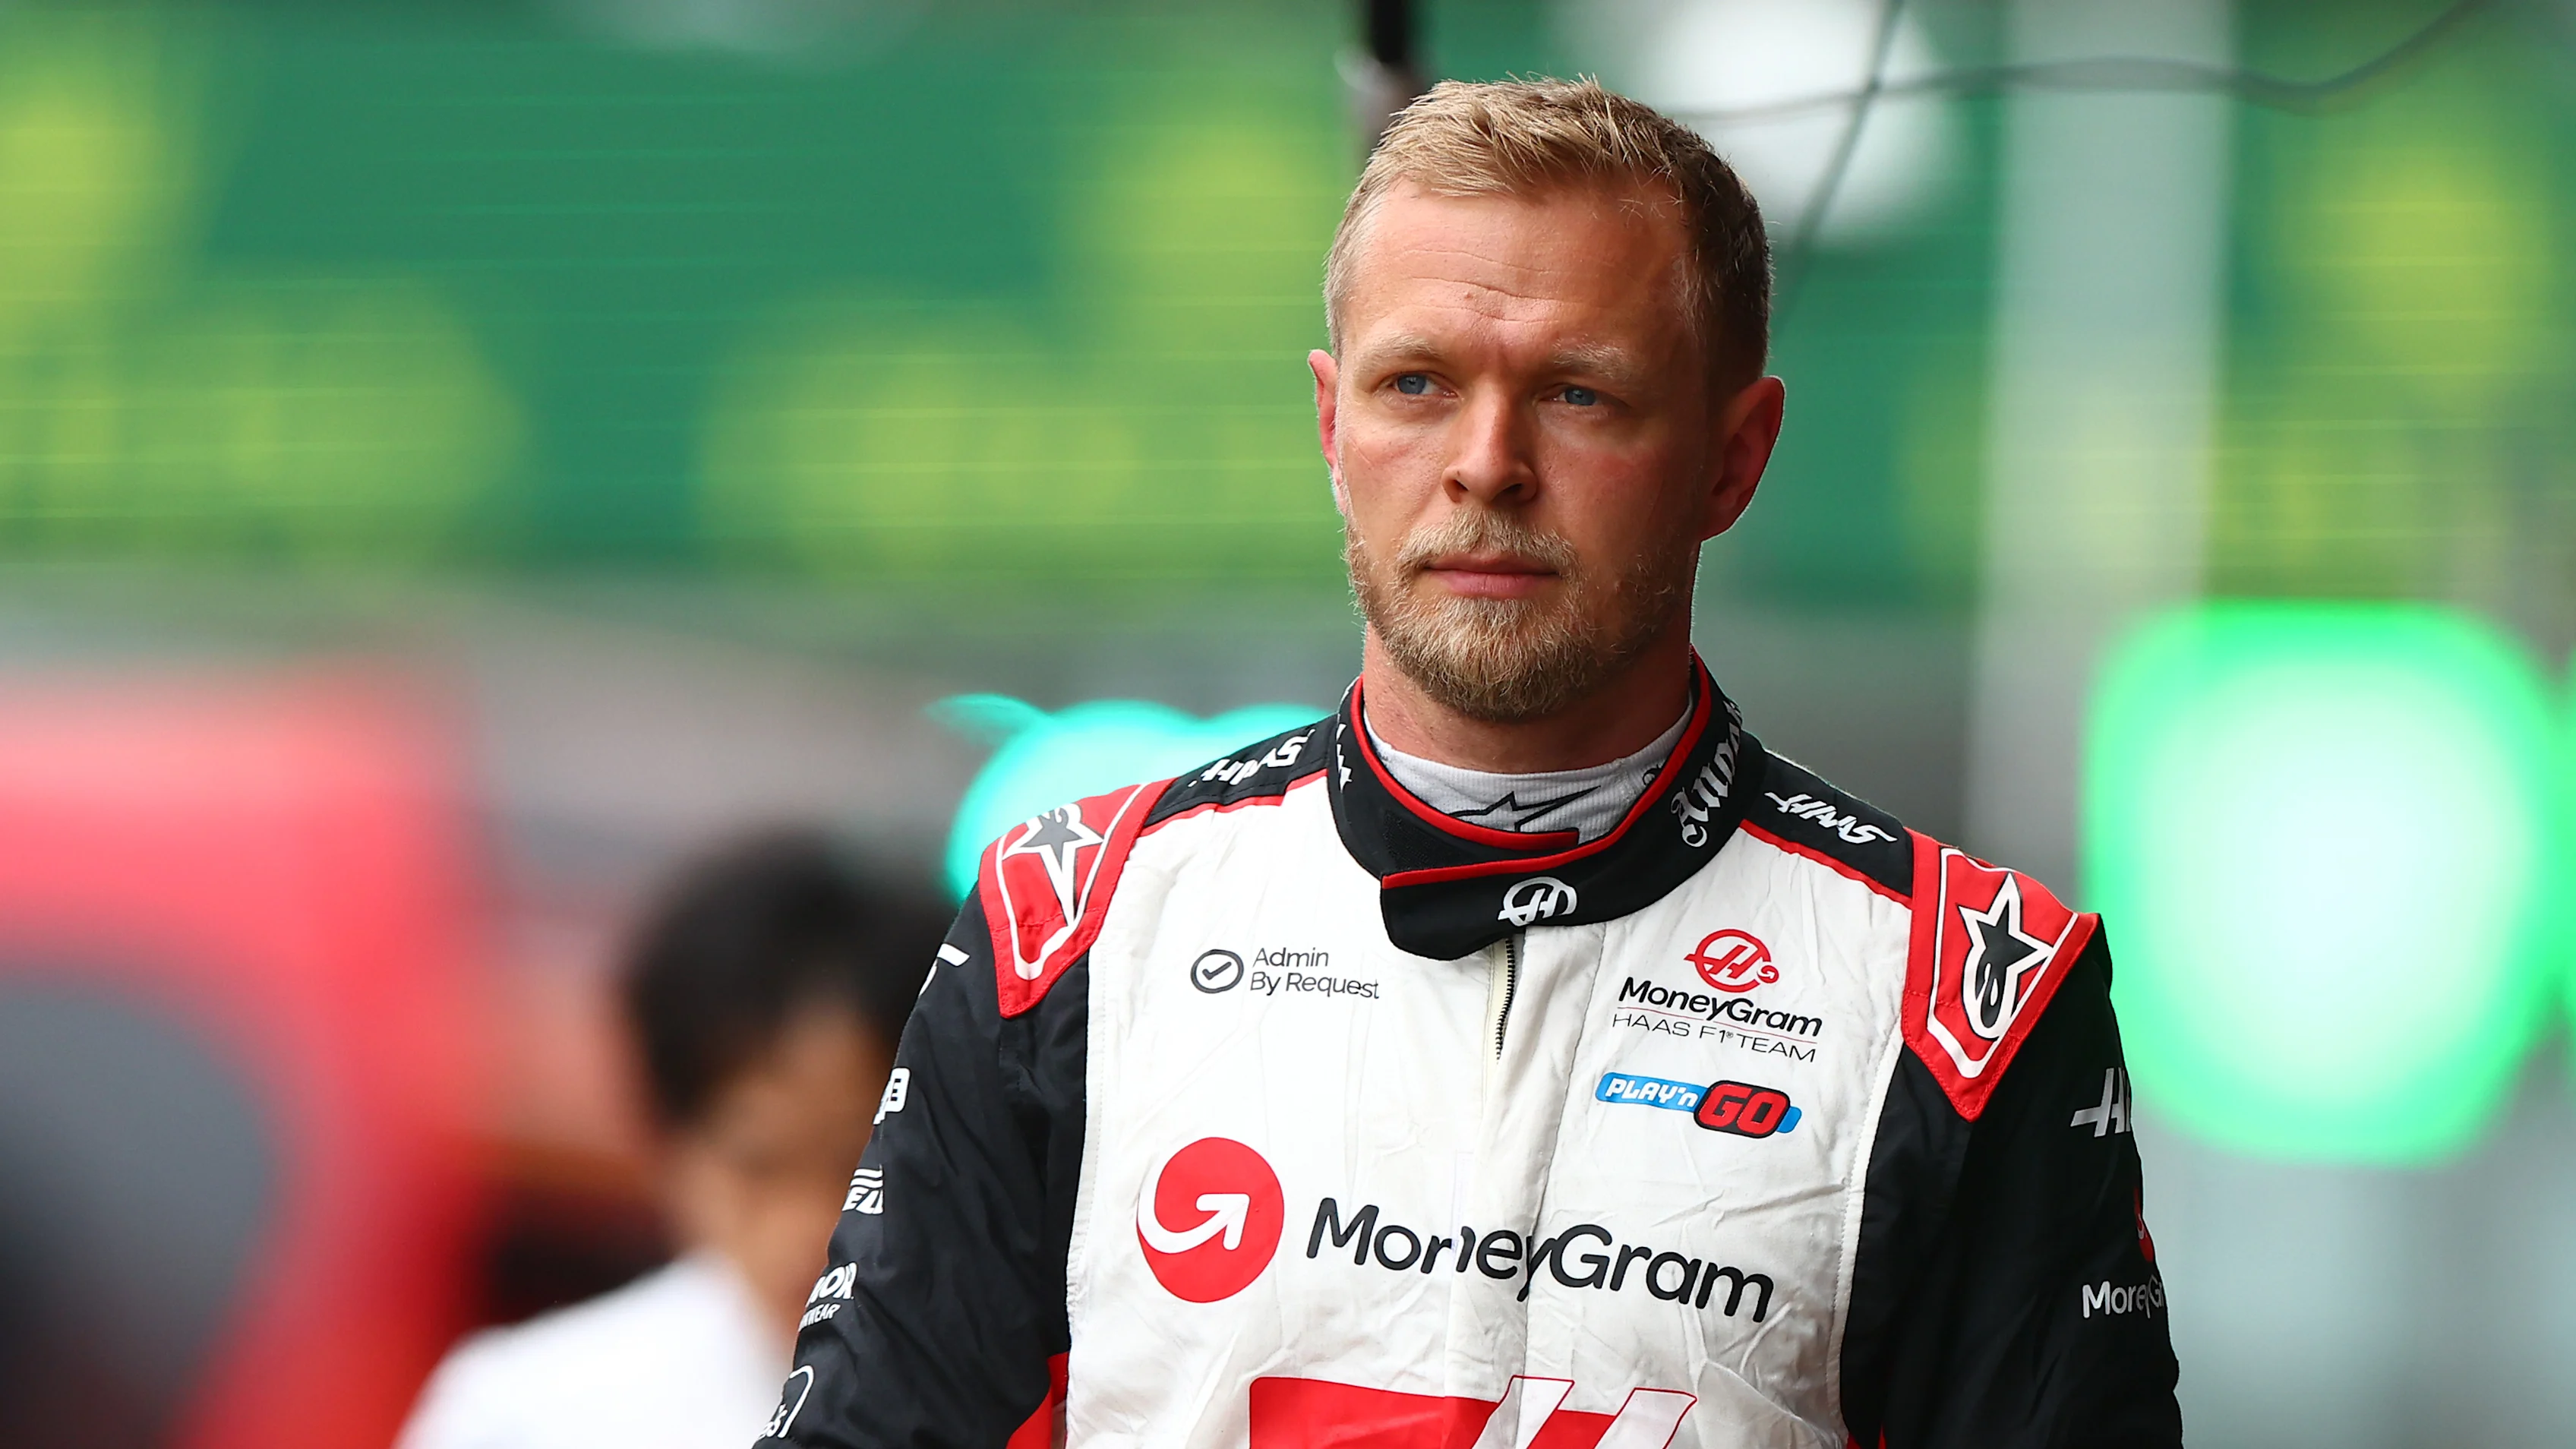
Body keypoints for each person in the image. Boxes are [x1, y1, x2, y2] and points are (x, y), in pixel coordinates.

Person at [760, 79, 2180, 1449]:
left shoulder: (1966, 999)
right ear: (1332, 425)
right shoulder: (1073, 922)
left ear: (1733, 459)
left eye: (1577, 393)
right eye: (1418, 383)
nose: (1486, 463)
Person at [401, 832, 939, 1449]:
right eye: (757, 1165)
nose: (812, 1226)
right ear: (670, 1148)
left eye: (858, 1164)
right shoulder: (527, 1415)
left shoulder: (1043, 1394)